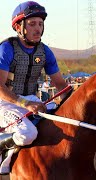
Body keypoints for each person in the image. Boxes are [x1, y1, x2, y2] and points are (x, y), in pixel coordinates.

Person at [0, 1, 68, 167]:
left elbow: (60, 84)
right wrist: (25, 103)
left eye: (40, 24)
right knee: (27, 134)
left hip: (32, 101)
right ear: (18, 27)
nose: (38, 29)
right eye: (32, 24)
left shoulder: (45, 51)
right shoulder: (6, 48)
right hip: (5, 103)